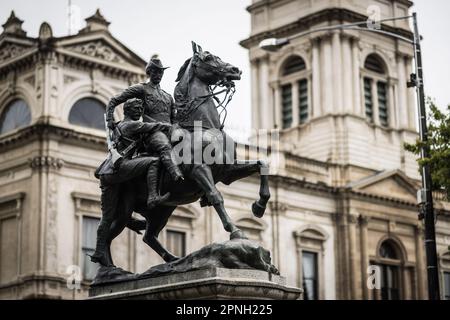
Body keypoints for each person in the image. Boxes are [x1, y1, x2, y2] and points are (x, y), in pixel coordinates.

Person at [91, 98, 171, 266]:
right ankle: (153, 197)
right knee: (153, 162)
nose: (139, 111)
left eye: (141, 108)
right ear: (127, 110)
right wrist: (168, 126)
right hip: (116, 170)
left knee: (116, 217)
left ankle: (100, 251)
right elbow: (153, 126)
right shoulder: (130, 125)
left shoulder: (121, 125)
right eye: (136, 108)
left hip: (114, 173)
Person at [105, 55, 183, 182]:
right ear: (149, 72)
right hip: (152, 133)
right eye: (156, 71)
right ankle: (175, 174)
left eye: (161, 71)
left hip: (170, 130)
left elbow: (174, 119)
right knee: (164, 145)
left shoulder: (168, 97)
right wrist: (109, 120)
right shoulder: (142, 89)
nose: (159, 74)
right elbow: (114, 100)